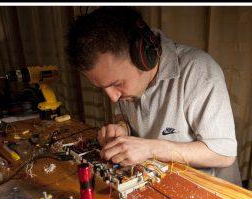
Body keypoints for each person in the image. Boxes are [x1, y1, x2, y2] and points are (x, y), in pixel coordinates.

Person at [66, 6, 242, 186]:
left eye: (116, 83)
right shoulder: (124, 85)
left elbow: (224, 153)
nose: (112, 97)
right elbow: (123, 115)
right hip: (155, 181)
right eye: (103, 88)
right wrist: (121, 128)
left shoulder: (199, 70)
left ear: (144, 55)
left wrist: (152, 148)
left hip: (208, 191)